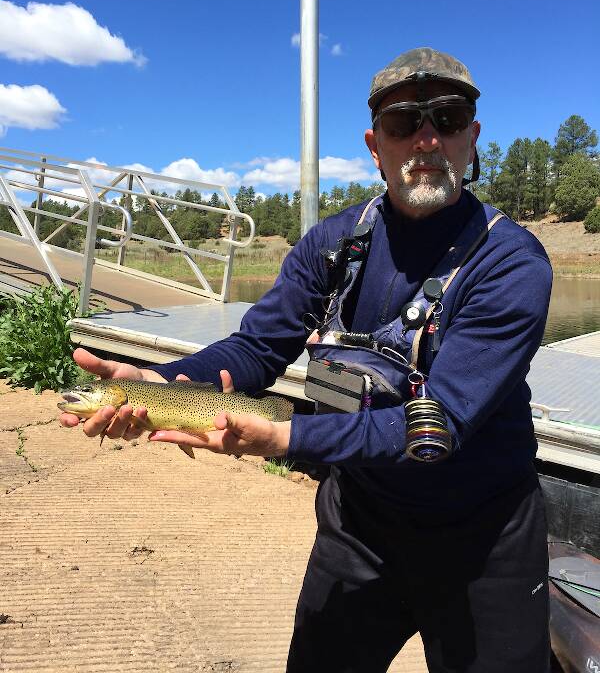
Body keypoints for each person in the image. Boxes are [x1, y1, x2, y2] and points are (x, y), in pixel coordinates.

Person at [61, 48, 553, 672]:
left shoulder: (510, 264)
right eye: (405, 122)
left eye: (449, 118)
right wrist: (159, 382)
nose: (427, 139)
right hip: (361, 522)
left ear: (472, 136)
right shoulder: (333, 245)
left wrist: (285, 436)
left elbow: (440, 423)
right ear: (376, 145)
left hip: (484, 538)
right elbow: (256, 347)